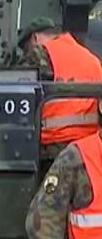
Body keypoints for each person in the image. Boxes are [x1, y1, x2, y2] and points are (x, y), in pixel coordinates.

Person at [18, 16, 102, 161]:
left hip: (55, 147)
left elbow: (15, 85)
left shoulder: (41, 54)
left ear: (35, 38)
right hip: (91, 147)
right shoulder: (92, 59)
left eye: (27, 48)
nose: (28, 52)